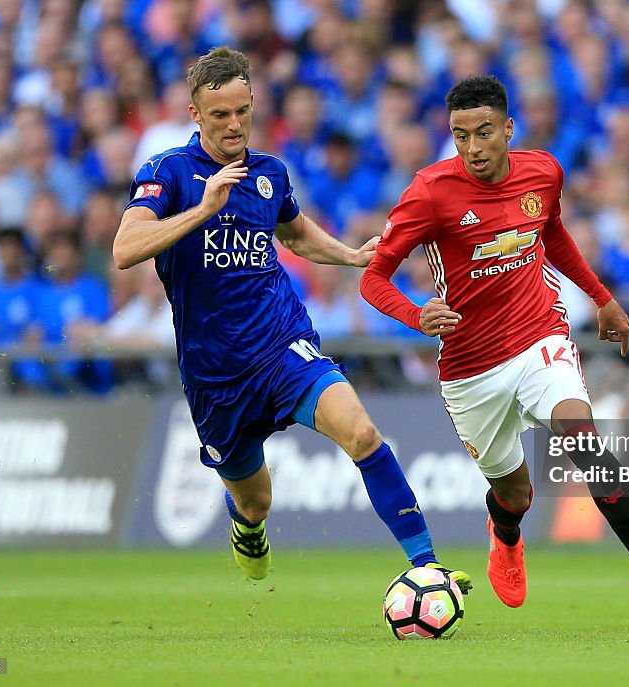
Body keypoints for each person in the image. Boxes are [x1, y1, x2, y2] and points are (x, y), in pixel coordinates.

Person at [113, 46, 470, 591]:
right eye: (219, 115)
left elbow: (295, 232)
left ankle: (426, 567)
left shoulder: (269, 174)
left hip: (284, 346)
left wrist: (350, 255)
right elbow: (124, 248)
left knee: (363, 432)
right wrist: (203, 211)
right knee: (256, 500)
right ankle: (248, 528)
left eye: (242, 111)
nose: (234, 125)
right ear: (195, 115)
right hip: (216, 377)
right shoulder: (170, 173)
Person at [360, 76, 629, 625]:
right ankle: (507, 533)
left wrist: (602, 297)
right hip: (469, 367)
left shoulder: (543, 172)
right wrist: (416, 314)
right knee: (515, 493)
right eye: (460, 136)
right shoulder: (430, 191)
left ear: (507, 129)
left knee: (583, 442)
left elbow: (552, 232)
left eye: (484, 132)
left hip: (538, 333)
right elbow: (374, 278)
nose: (472, 148)